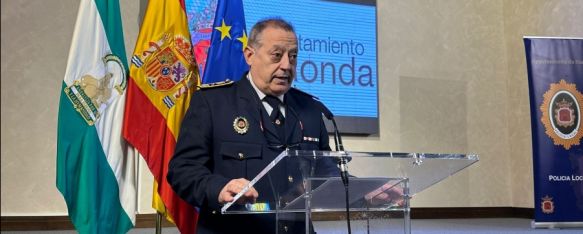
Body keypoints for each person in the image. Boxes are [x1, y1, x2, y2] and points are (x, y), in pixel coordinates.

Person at [167, 18, 338, 234]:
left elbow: (325, 169)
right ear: (250, 55)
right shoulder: (213, 103)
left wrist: (365, 191)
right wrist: (218, 188)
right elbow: (182, 170)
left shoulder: (311, 109)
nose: (287, 65)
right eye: (277, 55)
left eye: (293, 56)